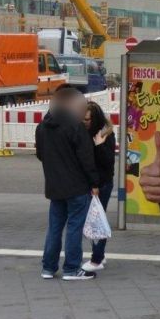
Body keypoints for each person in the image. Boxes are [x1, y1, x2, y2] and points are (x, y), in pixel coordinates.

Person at [36, 87, 98, 280]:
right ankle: (71, 268)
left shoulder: (43, 127)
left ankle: (48, 267)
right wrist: (94, 183)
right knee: (74, 227)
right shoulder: (75, 126)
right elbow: (86, 159)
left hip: (54, 187)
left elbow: (40, 154)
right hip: (77, 186)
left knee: (55, 226)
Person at [81, 101, 116, 272]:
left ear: (95, 119)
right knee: (93, 219)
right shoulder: (84, 131)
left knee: (97, 220)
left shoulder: (105, 134)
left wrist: (99, 145)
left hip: (102, 183)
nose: (84, 122)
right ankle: (99, 254)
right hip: (91, 182)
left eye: (87, 119)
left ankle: (97, 259)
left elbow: (108, 162)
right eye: (83, 119)